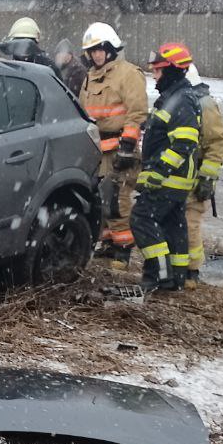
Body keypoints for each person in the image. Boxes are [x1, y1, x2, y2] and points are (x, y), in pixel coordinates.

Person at [130, 43, 202, 293]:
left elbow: (185, 142)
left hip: (168, 180)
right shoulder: (175, 97)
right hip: (175, 181)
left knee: (142, 219)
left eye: (158, 70)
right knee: (173, 226)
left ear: (171, 71)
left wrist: (159, 172)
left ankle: (159, 276)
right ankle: (175, 278)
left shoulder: (180, 100)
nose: (154, 75)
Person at [78, 21, 148, 267]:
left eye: (100, 49)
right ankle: (108, 244)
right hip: (97, 150)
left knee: (117, 201)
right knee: (101, 201)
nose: (96, 54)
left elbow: (137, 113)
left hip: (119, 150)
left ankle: (123, 250)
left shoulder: (128, 74)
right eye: (92, 50)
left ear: (110, 49)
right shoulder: (90, 77)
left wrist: (127, 147)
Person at [184, 63, 223, 288]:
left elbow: (218, 142)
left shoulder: (204, 104)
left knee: (190, 222)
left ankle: (191, 273)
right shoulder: (177, 101)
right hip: (177, 175)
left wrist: (207, 177)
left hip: (195, 177)